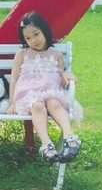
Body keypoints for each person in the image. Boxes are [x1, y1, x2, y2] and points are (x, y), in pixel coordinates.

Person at [7, 11, 83, 163]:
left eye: (36, 34)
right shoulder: (22, 54)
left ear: (44, 31)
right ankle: (46, 144)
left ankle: (70, 137)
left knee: (54, 103)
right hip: (29, 94)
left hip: (50, 93)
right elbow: (14, 79)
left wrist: (66, 74)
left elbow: (60, 76)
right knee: (37, 106)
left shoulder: (56, 55)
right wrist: (12, 102)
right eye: (28, 38)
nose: (33, 40)